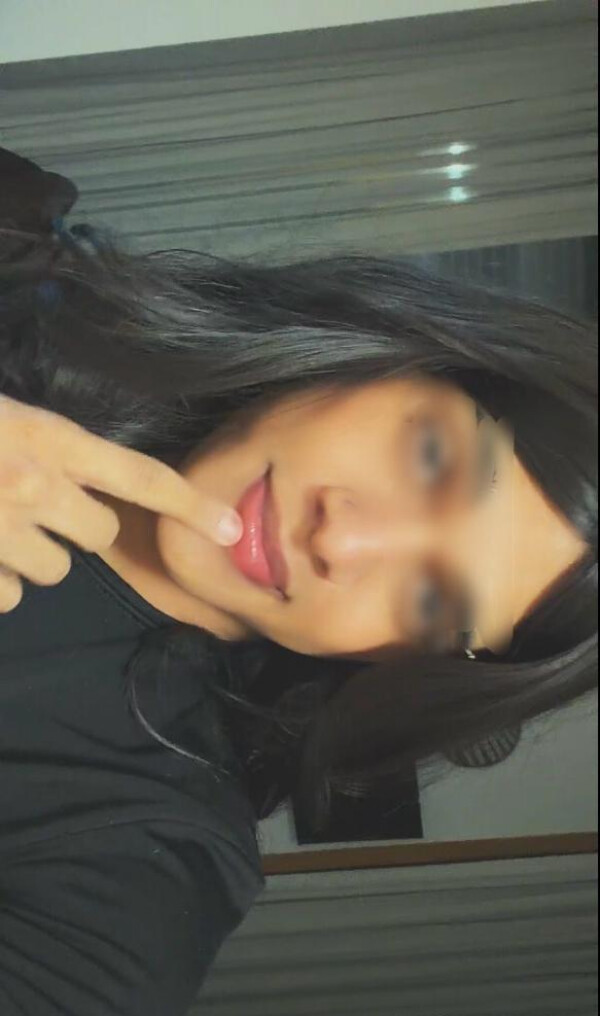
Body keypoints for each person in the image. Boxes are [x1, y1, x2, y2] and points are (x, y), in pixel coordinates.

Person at [0, 147, 597, 1015]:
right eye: (433, 458)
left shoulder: (134, 878)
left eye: (432, 601)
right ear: (396, 355)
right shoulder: (20, 236)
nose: (341, 538)